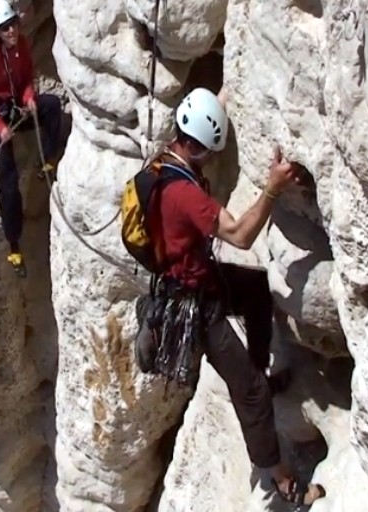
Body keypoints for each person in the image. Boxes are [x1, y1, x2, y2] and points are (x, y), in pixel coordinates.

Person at [134, 87, 325, 506]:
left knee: (255, 289)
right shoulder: (185, 194)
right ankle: (282, 482)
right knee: (251, 391)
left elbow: (203, 121)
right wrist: (273, 188)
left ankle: (256, 369)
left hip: (195, 278)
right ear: (201, 146)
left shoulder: (165, 160)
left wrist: (226, 94)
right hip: (196, 307)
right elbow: (239, 235)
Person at [0, 0, 62, 275]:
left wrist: (29, 99)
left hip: (13, 107)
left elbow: (26, 80)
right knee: (8, 185)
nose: (11, 31)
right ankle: (14, 245)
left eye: (13, 25)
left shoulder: (20, 45)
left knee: (53, 107)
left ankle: (47, 160)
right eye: (5, 28)